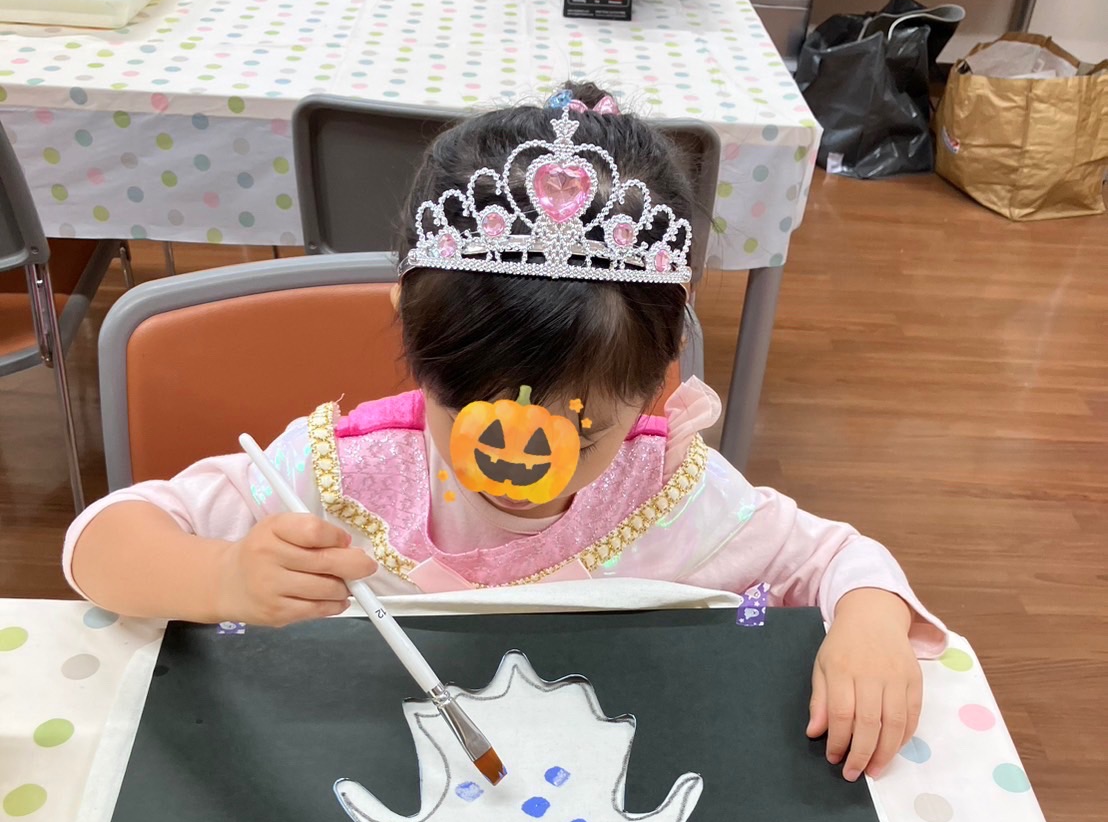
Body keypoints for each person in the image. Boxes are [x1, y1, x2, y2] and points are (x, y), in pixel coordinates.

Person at [66, 84, 945, 784]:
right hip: (366, 766)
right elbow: (99, 543)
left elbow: (837, 558)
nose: (517, 469)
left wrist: (868, 622)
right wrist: (222, 575)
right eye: (473, 415)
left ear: (656, 381)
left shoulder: (669, 492)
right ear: (415, 342)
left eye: (578, 433)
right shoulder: (343, 475)